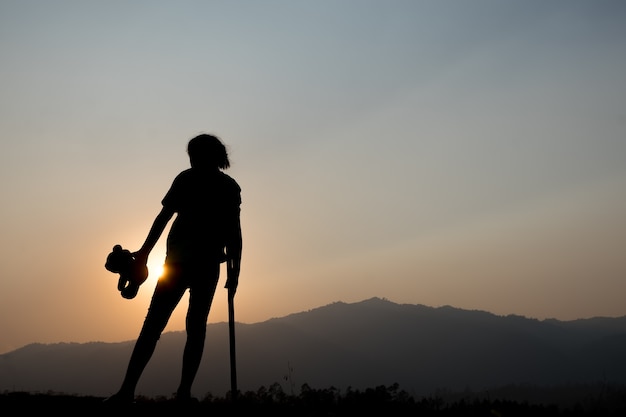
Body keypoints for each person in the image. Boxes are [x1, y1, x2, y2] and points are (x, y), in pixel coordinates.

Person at [105, 133, 242, 403]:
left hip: (181, 265)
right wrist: (235, 271)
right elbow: (234, 234)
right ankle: (177, 393)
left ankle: (132, 392)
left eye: (194, 155)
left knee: (156, 327)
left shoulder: (191, 180)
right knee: (193, 328)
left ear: (204, 156)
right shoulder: (226, 186)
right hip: (200, 266)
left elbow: (164, 218)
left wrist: (144, 254)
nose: (192, 160)